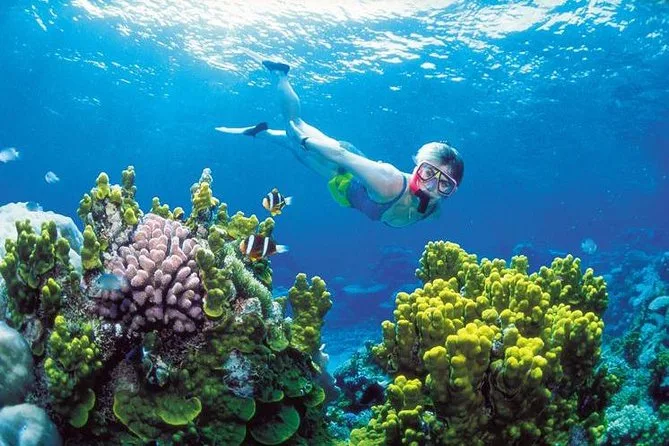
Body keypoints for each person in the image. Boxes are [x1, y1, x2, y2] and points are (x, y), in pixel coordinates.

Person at [216, 61, 464, 228]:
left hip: (349, 175)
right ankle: (280, 74)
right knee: (295, 128)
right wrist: (304, 140)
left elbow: (432, 208)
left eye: (444, 184)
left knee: (294, 148)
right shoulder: (388, 182)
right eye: (428, 173)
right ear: (417, 165)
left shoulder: (433, 206)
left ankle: (260, 132)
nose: (431, 186)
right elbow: (342, 155)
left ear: (452, 191)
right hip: (340, 168)